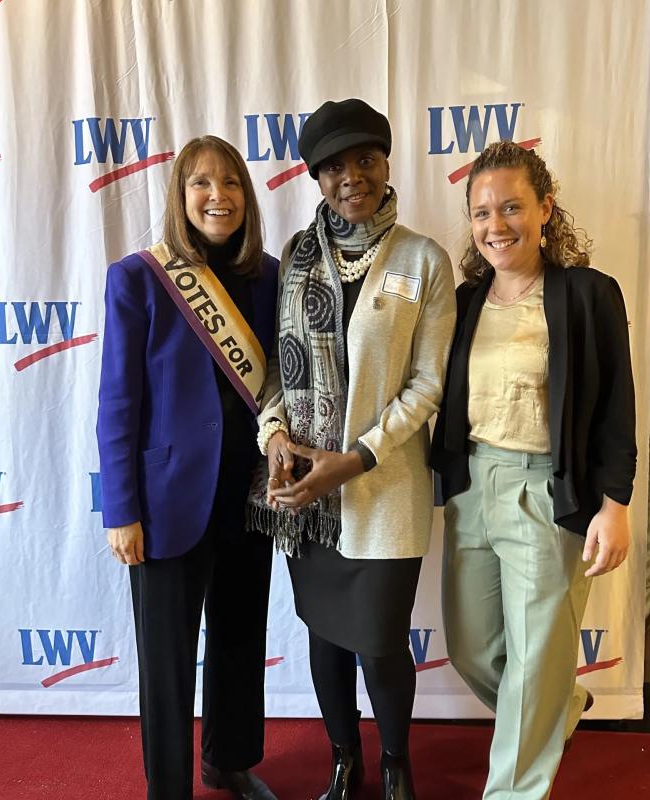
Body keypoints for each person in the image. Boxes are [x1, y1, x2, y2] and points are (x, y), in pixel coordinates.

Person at [247, 98, 456, 800]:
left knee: (380, 641)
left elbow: (427, 385)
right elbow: (276, 370)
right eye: (333, 166)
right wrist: (273, 434)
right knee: (327, 636)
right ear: (316, 177)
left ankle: (394, 762)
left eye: (364, 159)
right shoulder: (295, 263)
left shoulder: (424, 260)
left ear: (385, 161)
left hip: (386, 489)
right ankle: (345, 760)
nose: (351, 177)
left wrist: (358, 457)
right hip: (308, 495)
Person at [431, 141, 636, 800]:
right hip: (472, 492)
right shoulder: (463, 303)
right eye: (482, 211)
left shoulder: (587, 294)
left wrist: (616, 502)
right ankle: (558, 705)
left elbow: (615, 408)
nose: (497, 225)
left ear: (546, 208)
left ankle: (514, 790)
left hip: (547, 493)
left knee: (536, 658)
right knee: (473, 651)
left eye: (513, 206)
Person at [96, 135, 279, 800]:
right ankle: (168, 786)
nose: (217, 196)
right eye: (202, 183)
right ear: (180, 195)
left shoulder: (270, 275)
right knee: (167, 663)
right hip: (168, 502)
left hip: (248, 498)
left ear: (246, 197)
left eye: (231, 183)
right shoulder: (140, 278)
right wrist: (121, 511)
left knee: (237, 640)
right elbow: (118, 403)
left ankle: (229, 761)